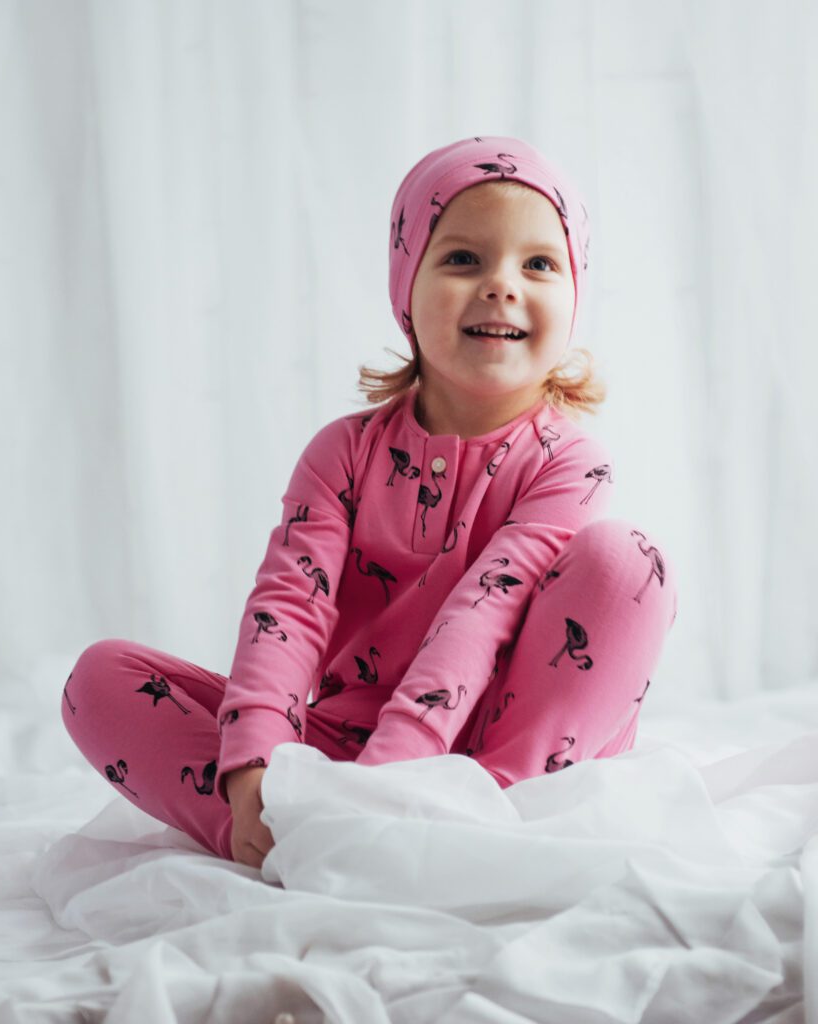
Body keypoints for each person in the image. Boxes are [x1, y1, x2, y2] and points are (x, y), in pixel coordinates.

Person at [61, 135, 679, 870]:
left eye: (539, 264)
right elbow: (288, 608)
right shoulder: (343, 452)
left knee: (626, 565)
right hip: (345, 748)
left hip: (502, 752)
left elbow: (482, 614)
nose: (502, 284)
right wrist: (256, 762)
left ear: (575, 295)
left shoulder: (571, 462)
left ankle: (475, 822)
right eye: (462, 259)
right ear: (405, 290)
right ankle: (270, 839)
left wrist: (398, 781)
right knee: (99, 679)